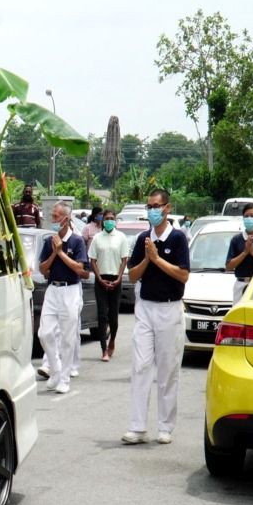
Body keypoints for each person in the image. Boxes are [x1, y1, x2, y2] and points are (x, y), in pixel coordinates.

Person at [123, 188, 189, 445]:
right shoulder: (142, 239)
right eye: (149, 206)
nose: (152, 210)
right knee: (140, 366)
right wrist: (148, 259)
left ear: (167, 208)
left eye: (156, 206)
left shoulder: (178, 239)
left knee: (167, 369)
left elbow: (183, 275)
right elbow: (132, 275)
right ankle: (137, 426)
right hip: (145, 308)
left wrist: (157, 258)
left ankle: (165, 426)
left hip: (169, 310)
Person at [37, 201, 89, 394]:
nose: (53, 219)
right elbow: (43, 269)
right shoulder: (48, 241)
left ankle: (64, 378)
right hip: (53, 289)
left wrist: (60, 252)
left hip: (70, 291)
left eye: (57, 216)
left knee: (68, 338)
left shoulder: (77, 241)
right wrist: (53, 253)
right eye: (53, 216)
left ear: (66, 219)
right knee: (45, 333)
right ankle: (56, 370)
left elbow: (80, 269)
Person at [89, 209, 129, 361]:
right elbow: (92, 259)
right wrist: (99, 278)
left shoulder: (121, 237)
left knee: (113, 316)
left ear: (115, 220)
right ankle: (104, 349)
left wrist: (119, 278)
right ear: (102, 220)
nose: (109, 221)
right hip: (101, 279)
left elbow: (124, 259)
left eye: (112, 218)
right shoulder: (97, 238)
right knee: (102, 315)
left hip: (115, 279)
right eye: (107, 218)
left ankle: (112, 340)